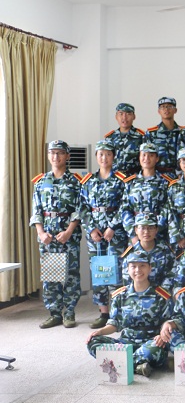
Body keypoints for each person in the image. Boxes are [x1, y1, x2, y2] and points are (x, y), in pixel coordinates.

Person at [86, 251, 172, 377]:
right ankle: (137, 366)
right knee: (93, 341)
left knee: (155, 350)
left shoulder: (161, 295)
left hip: (150, 343)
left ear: (150, 268)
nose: (138, 270)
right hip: (125, 343)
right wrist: (100, 332)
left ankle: (119, 364)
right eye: (133, 266)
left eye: (142, 265)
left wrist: (161, 336)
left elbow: (168, 322)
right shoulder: (120, 295)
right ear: (128, 269)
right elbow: (114, 324)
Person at [31, 140, 83, 329]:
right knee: (51, 275)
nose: (56, 156)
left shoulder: (75, 181)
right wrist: (41, 232)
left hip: (69, 234)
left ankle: (69, 312)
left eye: (60, 153)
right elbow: (36, 210)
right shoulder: (41, 181)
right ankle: (54, 313)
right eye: (52, 153)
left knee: (71, 275)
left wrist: (69, 231)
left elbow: (79, 209)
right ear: (48, 155)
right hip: (48, 235)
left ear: (67, 156)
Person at [79, 140, 128, 329]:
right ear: (96, 157)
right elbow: (82, 207)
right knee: (99, 272)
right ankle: (103, 313)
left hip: (115, 233)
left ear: (113, 156)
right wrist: (91, 229)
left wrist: (112, 227)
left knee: (116, 271)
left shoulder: (121, 180)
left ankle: (117, 314)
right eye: (100, 154)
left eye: (108, 154)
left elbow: (125, 205)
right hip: (95, 235)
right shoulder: (88, 181)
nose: (104, 157)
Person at [118, 142, 171, 243]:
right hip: (136, 234)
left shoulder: (164, 182)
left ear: (157, 158)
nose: (147, 158)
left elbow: (167, 207)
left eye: (151, 155)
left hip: (158, 234)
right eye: (144, 155)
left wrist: (156, 230)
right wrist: (133, 233)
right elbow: (125, 208)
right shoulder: (131, 182)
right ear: (139, 157)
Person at [120, 213, 175, 288]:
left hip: (161, 292)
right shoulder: (130, 253)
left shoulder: (165, 250)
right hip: (138, 292)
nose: (146, 232)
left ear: (156, 229)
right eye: (142, 228)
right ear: (136, 230)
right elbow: (127, 280)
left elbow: (172, 273)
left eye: (151, 228)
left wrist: (162, 290)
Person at [145, 96, 182, 179]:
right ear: (159, 111)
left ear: (175, 110)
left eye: (169, 106)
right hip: (157, 176)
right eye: (163, 107)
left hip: (178, 176)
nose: (166, 109)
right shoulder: (151, 133)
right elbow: (147, 156)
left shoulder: (182, 132)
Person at [104, 103, 145, 176]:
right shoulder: (109, 138)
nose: (124, 117)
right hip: (114, 178)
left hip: (134, 178)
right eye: (121, 114)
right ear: (116, 117)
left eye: (128, 114)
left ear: (134, 117)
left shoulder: (142, 136)